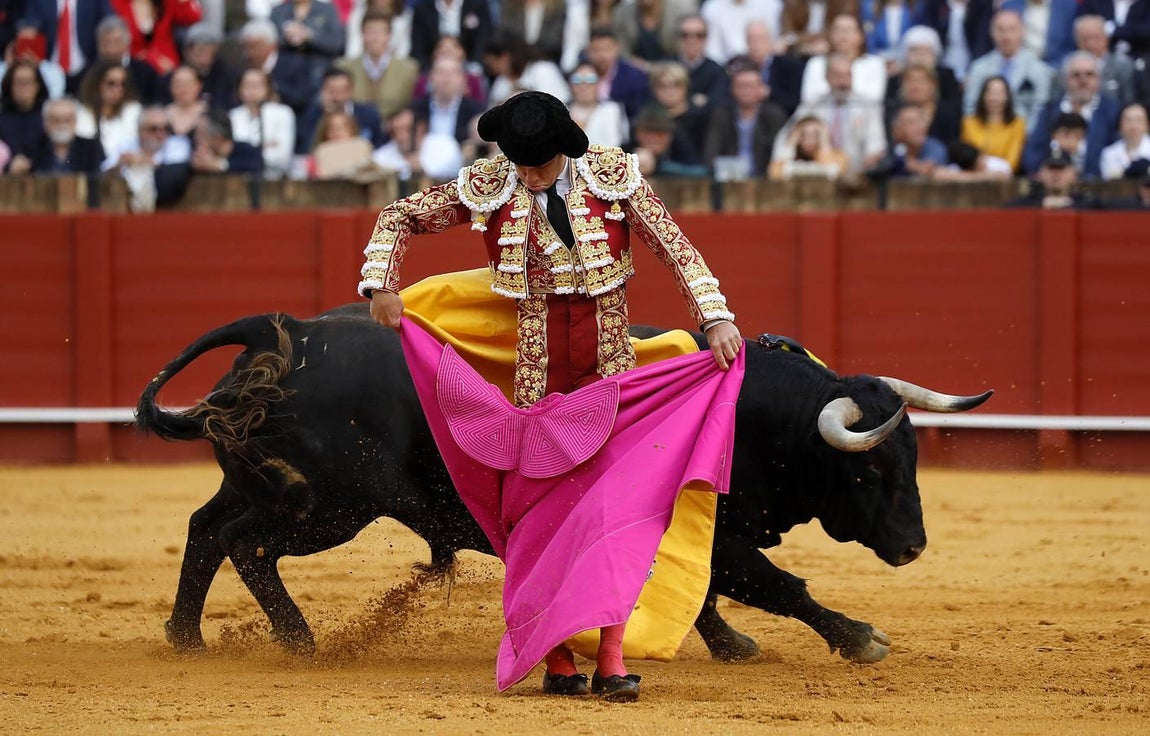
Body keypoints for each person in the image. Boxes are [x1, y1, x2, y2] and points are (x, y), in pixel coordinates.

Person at [360, 91, 741, 701]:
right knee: (538, 522)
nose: (527, 175)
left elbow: (675, 247)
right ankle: (558, 658)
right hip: (537, 388)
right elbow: (398, 216)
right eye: (519, 163)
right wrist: (381, 280)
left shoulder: (614, 178)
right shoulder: (492, 183)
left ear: (563, 151)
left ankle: (612, 657)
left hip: (610, 379)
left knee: (614, 518)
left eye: (537, 165)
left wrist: (715, 316)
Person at [780, 53, 888, 178]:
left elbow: (876, 144)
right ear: (827, 77)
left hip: (856, 176)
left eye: (847, 75)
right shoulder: (812, 106)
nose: (843, 82)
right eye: (837, 76)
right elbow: (788, 137)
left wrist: (866, 164)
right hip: (818, 175)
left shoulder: (867, 106)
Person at [1022, 51, 1121, 177]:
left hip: (1098, 187)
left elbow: (1117, 153)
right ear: (1065, 79)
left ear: (1099, 79)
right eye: (1076, 75)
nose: (1083, 80)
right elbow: (1032, 155)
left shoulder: (1113, 112)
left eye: (1089, 74)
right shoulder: (1049, 111)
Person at [963, 9, 1052, 133]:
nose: (1006, 36)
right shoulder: (979, 68)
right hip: (984, 137)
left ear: (1022, 32)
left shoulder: (1039, 69)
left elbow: (1040, 109)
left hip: (1025, 137)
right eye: (1000, 30)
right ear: (991, 33)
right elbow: (970, 107)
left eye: (1012, 29)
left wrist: (1021, 136)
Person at [702, 63, 788, 178]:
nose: (746, 91)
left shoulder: (774, 115)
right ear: (732, 89)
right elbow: (711, 152)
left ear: (761, 89)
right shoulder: (722, 115)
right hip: (728, 179)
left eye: (751, 86)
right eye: (741, 86)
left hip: (765, 181)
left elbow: (780, 153)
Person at [336, 10, 419, 121]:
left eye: (380, 33)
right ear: (362, 35)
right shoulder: (344, 68)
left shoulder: (409, 69)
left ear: (389, 36)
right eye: (370, 32)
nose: (375, 38)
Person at [801, 13, 888, 105]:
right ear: (830, 35)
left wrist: (839, 90)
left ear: (861, 36)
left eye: (848, 30)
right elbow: (808, 98)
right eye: (838, 30)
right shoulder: (816, 63)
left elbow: (874, 98)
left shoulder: (874, 64)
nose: (843, 35)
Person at [296, 66, 385, 155]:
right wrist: (326, 116)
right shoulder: (312, 115)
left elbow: (379, 145)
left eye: (340, 91)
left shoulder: (368, 114)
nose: (336, 97)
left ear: (350, 90)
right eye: (331, 91)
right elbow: (307, 147)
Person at [1053, 15, 1135, 107]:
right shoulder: (1064, 68)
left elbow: (1129, 104)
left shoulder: (1123, 67)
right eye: (1085, 39)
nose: (1090, 44)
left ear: (1106, 38)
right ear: (1076, 41)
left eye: (1096, 38)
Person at [229, 67, 296, 179]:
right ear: (239, 89)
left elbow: (283, 157)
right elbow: (231, 155)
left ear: (268, 88)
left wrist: (247, 152)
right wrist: (265, 147)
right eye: (248, 85)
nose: (252, 90)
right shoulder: (232, 116)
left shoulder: (283, 113)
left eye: (257, 85)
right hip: (239, 180)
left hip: (275, 180)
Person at [10, 96, 105, 174]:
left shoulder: (92, 148)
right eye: (56, 120)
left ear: (75, 121)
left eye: (67, 120)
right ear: (45, 122)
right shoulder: (31, 148)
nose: (62, 125)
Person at [269, 0, 346, 94]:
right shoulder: (278, 11)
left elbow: (337, 43)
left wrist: (310, 36)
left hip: (318, 76)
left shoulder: (327, 10)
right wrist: (287, 37)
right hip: (284, 77)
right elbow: (268, 41)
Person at [75, 57, 142, 164]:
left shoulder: (133, 110)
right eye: (111, 83)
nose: (117, 89)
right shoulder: (81, 113)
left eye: (122, 84)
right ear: (96, 84)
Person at [109, 0, 203, 75]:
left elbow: (193, 17)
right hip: (134, 65)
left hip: (167, 65)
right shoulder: (118, 3)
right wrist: (152, 58)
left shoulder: (166, 3)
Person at [481, 30, 570, 105]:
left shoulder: (543, 70)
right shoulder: (501, 81)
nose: (493, 70)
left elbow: (559, 105)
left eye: (493, 63)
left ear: (505, 58)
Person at [961, 75, 1027, 172]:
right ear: (983, 95)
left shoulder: (1017, 124)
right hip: (971, 170)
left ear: (1007, 96)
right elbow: (964, 154)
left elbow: (1012, 162)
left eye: (999, 93)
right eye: (990, 92)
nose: (994, 97)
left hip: (1002, 174)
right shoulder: (969, 122)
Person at [585, 25, 650, 120]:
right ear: (588, 51)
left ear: (616, 49)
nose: (602, 55)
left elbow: (638, 115)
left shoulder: (635, 78)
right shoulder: (580, 74)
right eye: (596, 50)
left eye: (607, 49)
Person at [409, 0, 493, 70]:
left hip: (469, 65)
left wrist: (474, 66)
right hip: (432, 67)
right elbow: (417, 48)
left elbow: (483, 40)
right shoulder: (422, 9)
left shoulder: (478, 5)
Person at [1005, 147, 1096, 207]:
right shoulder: (1027, 202)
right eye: (1051, 169)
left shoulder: (1085, 202)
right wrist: (1041, 203)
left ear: (1073, 175)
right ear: (1040, 174)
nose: (1056, 174)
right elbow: (1008, 209)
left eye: (1061, 169)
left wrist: (1068, 204)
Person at [674, 14, 730, 111]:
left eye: (699, 35)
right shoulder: (667, 67)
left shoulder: (717, 71)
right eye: (685, 35)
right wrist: (696, 101)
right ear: (678, 38)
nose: (692, 40)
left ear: (706, 39)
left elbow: (715, 106)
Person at [566, 62, 629, 147]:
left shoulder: (613, 109)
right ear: (570, 83)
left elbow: (624, 141)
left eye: (590, 79)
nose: (584, 86)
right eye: (577, 80)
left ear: (599, 82)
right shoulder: (558, 110)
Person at [700, 0, 782, 65]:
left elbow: (776, 41)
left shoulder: (773, 5)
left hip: (766, 65)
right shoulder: (711, 8)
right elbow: (713, 51)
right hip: (728, 68)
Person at [767, 114, 849, 179]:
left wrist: (824, 144)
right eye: (803, 135)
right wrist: (791, 143)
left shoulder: (839, 156)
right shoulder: (789, 158)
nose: (809, 140)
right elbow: (775, 174)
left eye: (816, 134)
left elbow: (837, 173)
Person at [0, 59, 49, 164]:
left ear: (37, 86)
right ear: (10, 86)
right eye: (18, 82)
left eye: (28, 82)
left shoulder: (48, 117)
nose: (23, 88)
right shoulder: (1, 120)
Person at [886, 102, 949, 176]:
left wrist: (908, 163)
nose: (919, 127)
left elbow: (927, 169)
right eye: (911, 123)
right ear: (896, 131)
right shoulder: (893, 149)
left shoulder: (935, 147)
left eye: (921, 121)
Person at [499, 0, 567, 65]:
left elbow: (554, 41)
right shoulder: (510, 5)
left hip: (548, 62)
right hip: (516, 66)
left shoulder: (557, 6)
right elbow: (505, 35)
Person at [1099, 102, 1150, 179]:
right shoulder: (1109, 154)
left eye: (1139, 120)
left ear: (1147, 124)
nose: (1133, 125)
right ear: (1119, 124)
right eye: (1128, 120)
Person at [164, 64, 204, 136]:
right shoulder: (162, 115)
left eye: (188, 83)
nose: (183, 88)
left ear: (199, 85)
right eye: (178, 83)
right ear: (171, 86)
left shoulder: (210, 113)